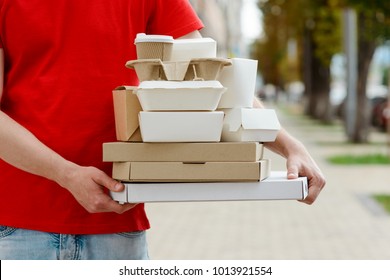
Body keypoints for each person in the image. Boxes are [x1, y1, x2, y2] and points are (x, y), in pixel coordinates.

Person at [0, 0, 325, 260]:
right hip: (19, 229)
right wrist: (66, 174)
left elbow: (215, 81)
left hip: (117, 223)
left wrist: (289, 146)